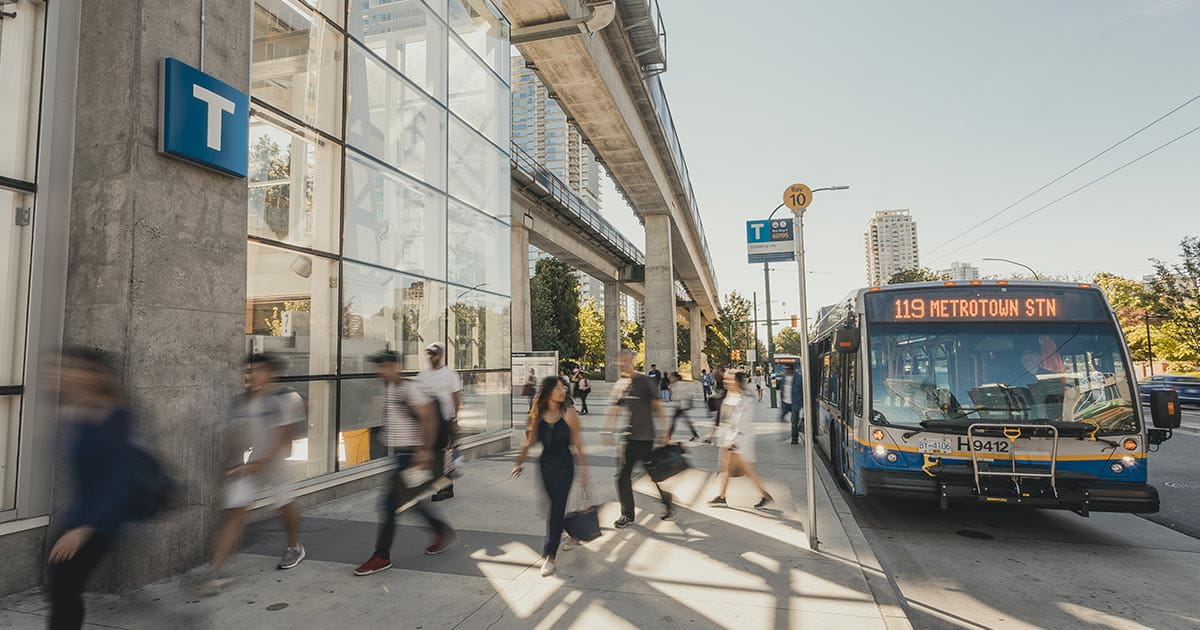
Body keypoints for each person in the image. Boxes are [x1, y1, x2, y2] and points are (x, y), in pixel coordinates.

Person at [47, 348, 140, 630]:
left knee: (64, 591)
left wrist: (85, 527)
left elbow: (118, 479)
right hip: (81, 514)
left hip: (100, 520)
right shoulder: (81, 413)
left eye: (75, 371)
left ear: (94, 377)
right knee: (62, 590)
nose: (66, 376)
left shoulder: (115, 418)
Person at [353, 352, 457, 576]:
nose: (382, 372)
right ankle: (440, 531)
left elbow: (428, 418)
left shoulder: (411, 389)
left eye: (387, 367)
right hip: (400, 456)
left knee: (389, 505)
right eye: (380, 368)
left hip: (412, 457)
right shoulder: (388, 390)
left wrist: (425, 452)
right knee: (410, 501)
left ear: (397, 366)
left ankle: (381, 556)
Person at [512, 376, 589, 577]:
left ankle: (550, 556)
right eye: (557, 388)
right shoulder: (536, 416)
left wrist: (584, 472)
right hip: (546, 467)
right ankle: (574, 532)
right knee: (553, 508)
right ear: (548, 391)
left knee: (556, 509)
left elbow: (578, 443)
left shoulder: (569, 413)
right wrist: (519, 463)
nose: (562, 390)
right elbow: (527, 443)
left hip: (565, 466)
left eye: (563, 387)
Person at [602, 349, 674, 526]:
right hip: (629, 437)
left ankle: (665, 500)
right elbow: (615, 409)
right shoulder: (621, 384)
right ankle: (628, 514)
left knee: (650, 474)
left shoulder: (643, 381)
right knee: (623, 476)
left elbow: (657, 407)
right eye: (621, 362)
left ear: (633, 361)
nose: (624, 364)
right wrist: (607, 430)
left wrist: (665, 432)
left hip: (645, 437)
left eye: (627, 361)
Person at [709, 371, 774, 509]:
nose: (726, 383)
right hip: (734, 438)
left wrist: (733, 441)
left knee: (748, 470)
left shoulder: (745, 399)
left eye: (729, 380)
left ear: (737, 382)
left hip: (741, 439)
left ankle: (764, 495)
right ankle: (722, 496)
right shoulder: (733, 396)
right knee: (727, 467)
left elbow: (741, 422)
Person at [416, 342, 461, 502]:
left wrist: (455, 419)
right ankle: (438, 486)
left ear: (441, 355)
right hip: (427, 422)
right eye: (429, 354)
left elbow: (456, 398)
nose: (431, 357)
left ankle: (446, 488)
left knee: (443, 457)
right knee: (429, 456)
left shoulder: (450, 375)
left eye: (434, 353)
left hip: (445, 422)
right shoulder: (422, 376)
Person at [667, 372, 699, 441]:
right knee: (686, 421)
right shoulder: (675, 384)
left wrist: (672, 390)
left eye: (671, 377)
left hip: (681, 405)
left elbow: (679, 396)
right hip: (680, 406)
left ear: (675, 377)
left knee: (674, 421)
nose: (670, 379)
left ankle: (668, 436)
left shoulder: (679, 384)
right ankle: (695, 434)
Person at [779, 365, 804, 444]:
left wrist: (801, 403)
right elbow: (782, 389)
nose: (787, 371)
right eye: (786, 369)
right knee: (782, 417)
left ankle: (794, 439)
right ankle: (786, 434)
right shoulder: (784, 378)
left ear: (792, 370)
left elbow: (803, 390)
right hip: (785, 402)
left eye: (788, 369)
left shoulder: (799, 378)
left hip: (795, 403)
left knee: (794, 422)